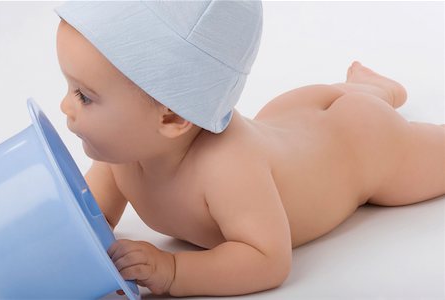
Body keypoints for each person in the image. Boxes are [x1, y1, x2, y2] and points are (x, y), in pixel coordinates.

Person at [54, 1, 445, 297]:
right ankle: (372, 88)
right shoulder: (124, 156)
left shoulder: (226, 169)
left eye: (85, 96)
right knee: (312, 108)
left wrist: (174, 271)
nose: (64, 106)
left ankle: (376, 95)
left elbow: (268, 259)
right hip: (291, 118)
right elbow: (91, 215)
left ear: (172, 117)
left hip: (361, 145)